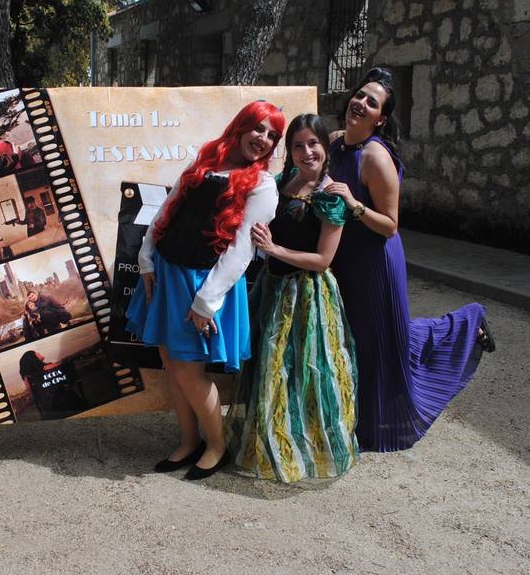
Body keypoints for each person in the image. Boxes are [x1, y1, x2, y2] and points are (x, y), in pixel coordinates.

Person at [325, 67, 495, 452]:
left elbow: (390, 225)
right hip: (345, 258)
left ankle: (468, 324)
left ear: (380, 118)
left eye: (372, 102)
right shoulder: (335, 143)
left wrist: (353, 205)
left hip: (375, 260)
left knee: (381, 339)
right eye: (360, 95)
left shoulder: (375, 158)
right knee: (366, 336)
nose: (361, 103)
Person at [125, 100, 284, 480]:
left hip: (201, 285)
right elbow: (167, 211)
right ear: (241, 126)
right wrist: (147, 259)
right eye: (258, 128)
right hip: (168, 274)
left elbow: (242, 249)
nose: (263, 139)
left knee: (189, 369)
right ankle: (188, 440)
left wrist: (205, 302)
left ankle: (216, 446)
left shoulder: (262, 185)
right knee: (172, 363)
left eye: (272, 135)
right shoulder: (204, 164)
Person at [226, 113, 359, 483]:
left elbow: (323, 260)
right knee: (271, 370)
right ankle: (268, 442)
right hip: (273, 288)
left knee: (304, 372)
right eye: (298, 146)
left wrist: (273, 249)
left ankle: (302, 448)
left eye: (313, 144)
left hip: (307, 295)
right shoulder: (285, 181)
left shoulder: (331, 197)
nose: (306, 152)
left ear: (324, 146)